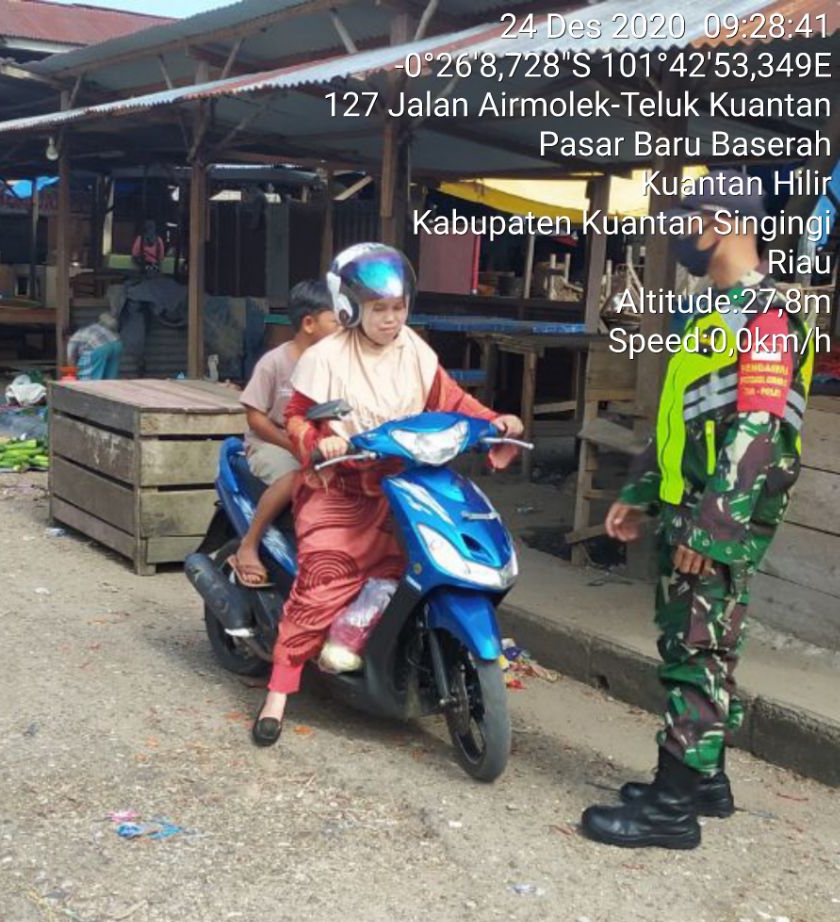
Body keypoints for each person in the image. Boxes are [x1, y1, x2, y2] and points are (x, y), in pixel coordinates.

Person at [581, 172, 816, 850]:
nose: (681, 232)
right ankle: (707, 780)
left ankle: (671, 807)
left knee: (697, 652)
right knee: (697, 641)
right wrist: (639, 491)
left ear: (723, 224)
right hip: (689, 504)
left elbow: (757, 430)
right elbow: (682, 417)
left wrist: (714, 528)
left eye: (688, 219)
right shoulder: (710, 311)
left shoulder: (767, 317)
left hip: (721, 515)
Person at [251, 243, 525, 747]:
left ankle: (377, 647)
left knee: (414, 568)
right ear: (351, 307)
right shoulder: (326, 357)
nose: (391, 319)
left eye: (399, 308)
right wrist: (320, 441)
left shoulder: (415, 351)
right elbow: (296, 416)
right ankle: (278, 693)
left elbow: (451, 400)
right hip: (340, 486)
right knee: (322, 580)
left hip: (404, 483)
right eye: (379, 309)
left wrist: (495, 421)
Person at [231, 280, 340, 586]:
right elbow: (255, 417)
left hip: (318, 444)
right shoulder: (274, 362)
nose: (343, 329)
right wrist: (292, 446)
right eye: (336, 321)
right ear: (309, 323)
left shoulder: (335, 366)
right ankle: (249, 544)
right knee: (295, 478)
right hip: (272, 442)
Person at [66, 310, 123, 380]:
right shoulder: (88, 329)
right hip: (116, 344)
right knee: (110, 378)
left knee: (91, 379)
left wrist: (73, 374)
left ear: (68, 336)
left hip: (99, 347)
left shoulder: (73, 338)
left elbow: (71, 359)